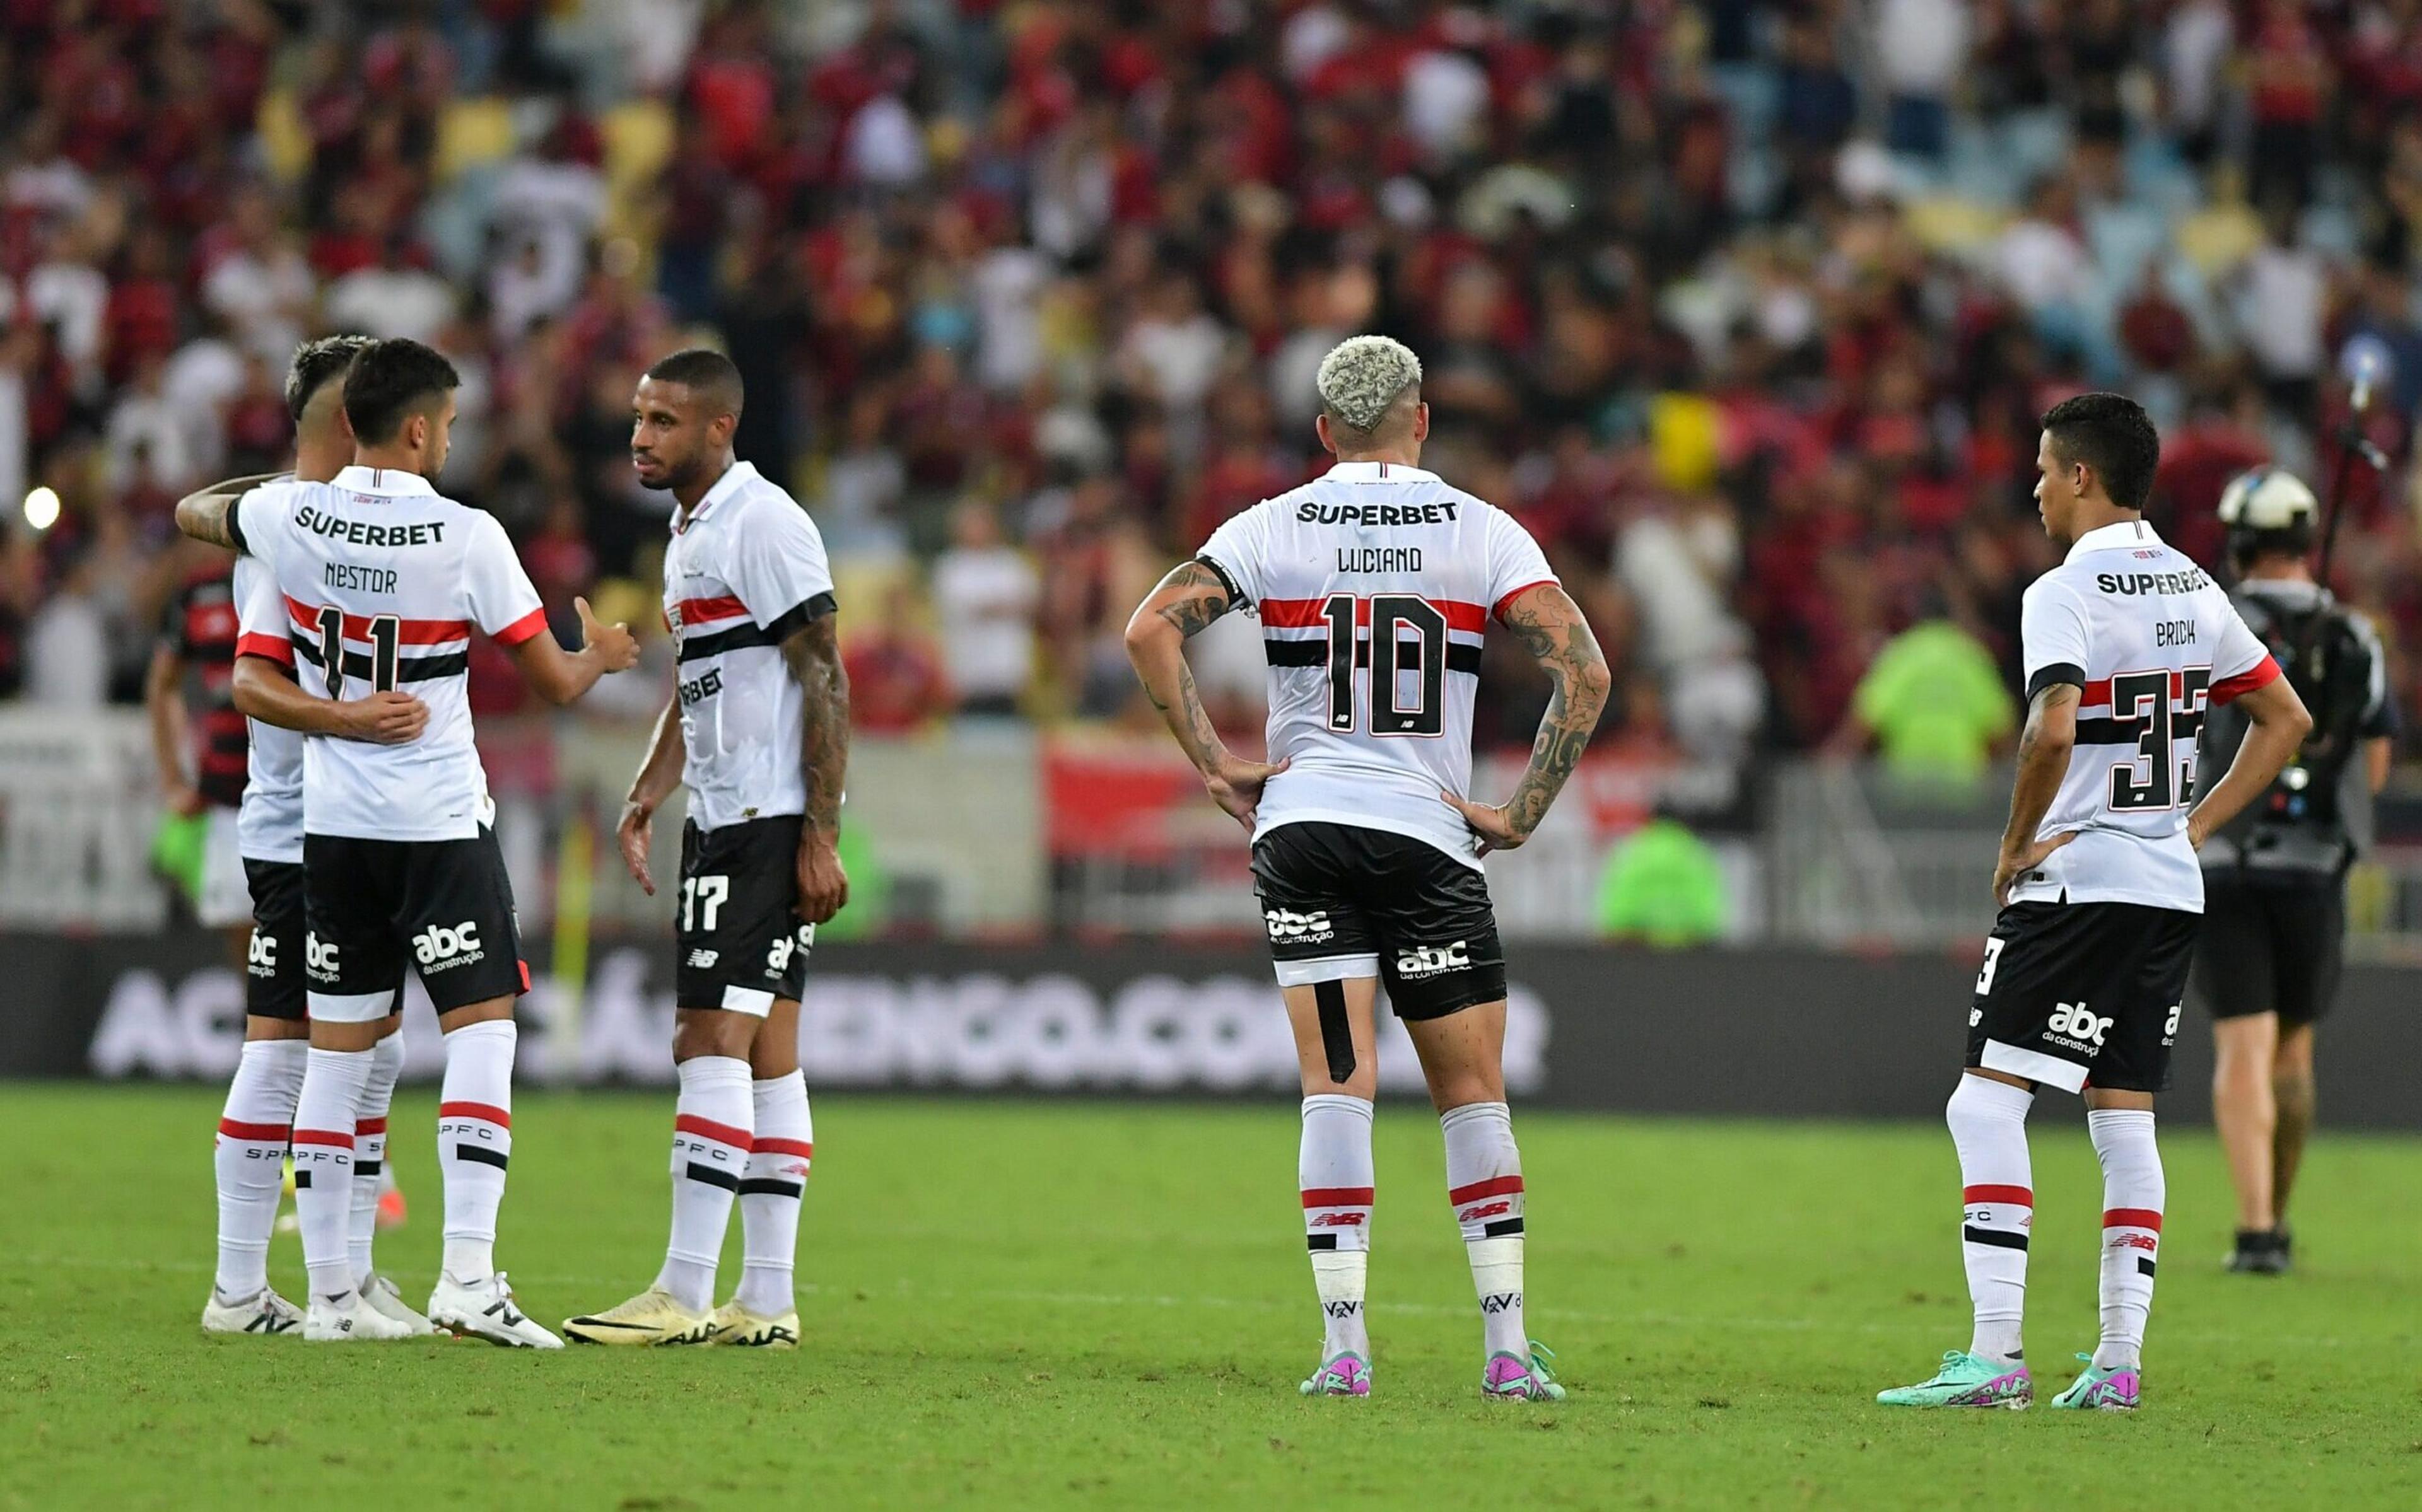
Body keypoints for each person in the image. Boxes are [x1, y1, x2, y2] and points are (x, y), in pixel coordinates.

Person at [1123, 335, 1610, 1402]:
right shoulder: (1483, 530)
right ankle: (1505, 1348)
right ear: (1423, 418)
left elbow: (1152, 628)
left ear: (1322, 432)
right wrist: (1523, 810)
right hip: (1423, 835)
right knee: (1471, 1089)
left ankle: (1345, 1350)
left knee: (1334, 1085)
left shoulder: (1275, 524)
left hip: (1301, 830)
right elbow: (1584, 667)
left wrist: (1212, 761)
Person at [175, 337, 640, 1344]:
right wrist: (599, 654)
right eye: (451, 423)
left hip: (330, 826)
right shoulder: (466, 532)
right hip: (413, 820)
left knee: (350, 1053)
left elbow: (193, 513)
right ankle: (451, 1272)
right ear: (417, 426)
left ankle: (338, 1289)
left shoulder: (284, 523)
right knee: (464, 1030)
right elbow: (555, 683)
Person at [1878, 393, 2309, 1413]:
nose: (2032, 487)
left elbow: (2052, 729)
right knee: (2122, 1115)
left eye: (2041, 469)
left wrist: (2015, 841)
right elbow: (2285, 718)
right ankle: (2117, 1361)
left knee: (1983, 1100)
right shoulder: (2195, 585)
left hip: (2074, 882)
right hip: (2165, 886)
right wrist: (2193, 828)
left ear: (2081, 476)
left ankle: (1996, 1354)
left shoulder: (2061, 592)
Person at [561, 348, 848, 1348]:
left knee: (705, 1041)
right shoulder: (689, 535)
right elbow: (705, 679)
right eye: (638, 418)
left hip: (765, 823)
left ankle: (683, 1288)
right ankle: (765, 1299)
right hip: (727, 815)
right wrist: (649, 786)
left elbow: (826, 676)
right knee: (770, 1056)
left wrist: (819, 830)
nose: (640, 437)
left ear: (720, 426)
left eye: (663, 422)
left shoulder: (762, 522)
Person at [201, 334, 435, 1336]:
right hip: (299, 828)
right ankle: (240, 1287)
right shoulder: (283, 539)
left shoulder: (318, 524)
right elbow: (255, 684)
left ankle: (351, 1272)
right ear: (350, 425)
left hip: (359, 826)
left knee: (371, 1043)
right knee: (285, 1043)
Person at [2193, 467, 2396, 1274]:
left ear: (2239, 540)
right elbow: (2375, 765)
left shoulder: (2212, 624)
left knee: (2240, 1047)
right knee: (2294, 1053)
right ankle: (2279, 1213)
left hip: (2222, 857)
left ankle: (2253, 1231)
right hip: (2314, 868)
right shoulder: (2356, 635)